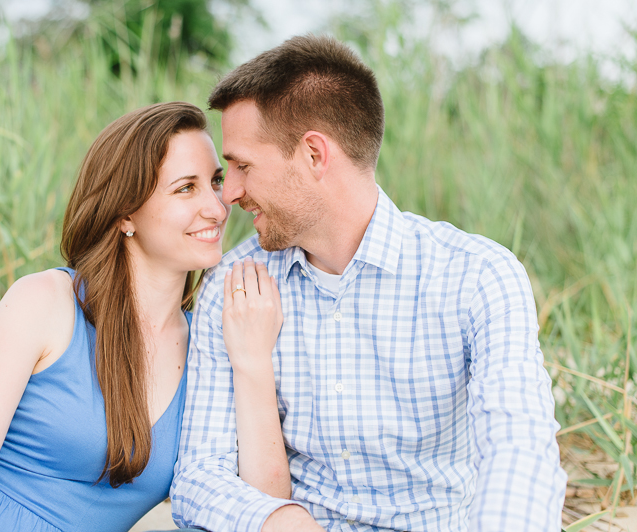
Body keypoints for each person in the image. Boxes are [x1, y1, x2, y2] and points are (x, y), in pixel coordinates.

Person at [171, 35, 567, 532]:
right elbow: (198, 477)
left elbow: (519, 446)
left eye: (243, 166)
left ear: (314, 154)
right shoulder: (232, 283)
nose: (229, 193)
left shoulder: (478, 276)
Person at [0, 102, 288, 532]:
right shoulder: (46, 303)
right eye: (185, 188)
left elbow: (253, 509)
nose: (216, 207)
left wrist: (253, 363)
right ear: (125, 212)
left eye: (214, 182)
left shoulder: (208, 347)